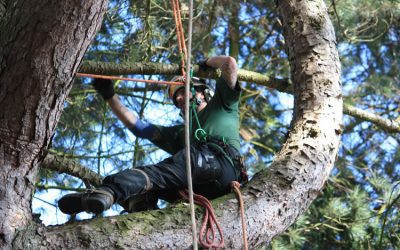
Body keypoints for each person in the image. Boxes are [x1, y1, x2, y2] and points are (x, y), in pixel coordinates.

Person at [58, 56, 246, 215]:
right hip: (204, 187)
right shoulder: (180, 133)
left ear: (203, 92)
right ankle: (141, 211)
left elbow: (229, 64)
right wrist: (110, 96)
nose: (178, 99)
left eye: (182, 92)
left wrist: (205, 62)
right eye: (176, 99)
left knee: (158, 173)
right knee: (148, 186)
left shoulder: (223, 106)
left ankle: (109, 191)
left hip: (222, 164)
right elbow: (139, 127)